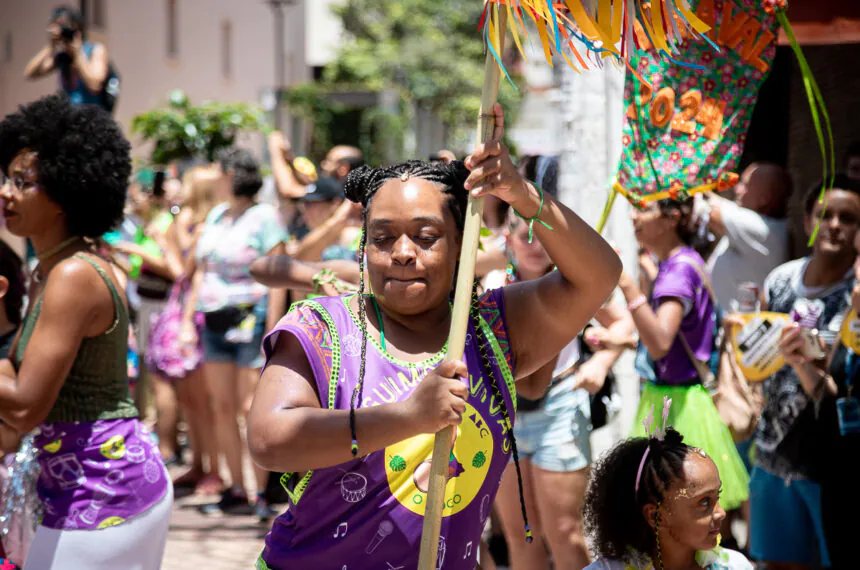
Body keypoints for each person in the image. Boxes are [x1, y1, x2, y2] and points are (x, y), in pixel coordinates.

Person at [246, 104, 622, 570]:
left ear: (462, 245)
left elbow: (599, 275)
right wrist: (407, 416)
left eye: (426, 237)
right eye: (383, 238)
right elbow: (269, 440)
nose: (403, 253)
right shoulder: (321, 328)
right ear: (364, 248)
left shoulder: (495, 328)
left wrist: (520, 192)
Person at [0, 94, 171, 569]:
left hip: (105, 492)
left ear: (65, 193)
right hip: (83, 488)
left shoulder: (74, 275)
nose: (6, 193)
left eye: (22, 182)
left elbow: (24, 404)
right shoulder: (48, 270)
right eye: (6, 179)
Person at [492, 210, 634, 570]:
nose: (534, 244)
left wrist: (599, 363)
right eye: (525, 235)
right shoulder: (491, 284)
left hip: (561, 404)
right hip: (503, 411)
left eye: (543, 236)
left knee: (565, 532)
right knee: (520, 534)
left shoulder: (571, 283)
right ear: (507, 241)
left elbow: (624, 328)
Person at [751, 176, 860, 570]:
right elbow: (751, 355)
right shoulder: (780, 280)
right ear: (807, 221)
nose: (833, 225)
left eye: (847, 218)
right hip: (771, 458)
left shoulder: (857, 297)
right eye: (824, 215)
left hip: (830, 467)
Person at [617, 198, 749, 515]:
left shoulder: (677, 272)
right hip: (671, 400)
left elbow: (661, 341)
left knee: (685, 515)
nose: (634, 215)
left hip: (681, 408)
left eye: (643, 208)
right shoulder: (680, 262)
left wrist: (626, 285)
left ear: (672, 218)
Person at [181, 148, 286, 521]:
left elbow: (278, 275)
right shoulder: (216, 215)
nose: (211, 175)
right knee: (221, 407)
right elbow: (199, 271)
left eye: (216, 169)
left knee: (249, 409)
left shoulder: (265, 217)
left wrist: (273, 329)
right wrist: (185, 321)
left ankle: (260, 492)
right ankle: (237, 489)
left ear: (231, 174)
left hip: (252, 319)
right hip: (213, 319)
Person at [776, 224, 860, 570]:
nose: (856, 268)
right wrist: (802, 365)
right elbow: (834, 393)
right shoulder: (853, 321)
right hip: (840, 476)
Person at [582, 426, 753, 570]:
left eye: (718, 497)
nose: (721, 513)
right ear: (656, 516)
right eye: (704, 502)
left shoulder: (734, 566)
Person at [704, 163, 791, 310]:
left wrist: (685, 183)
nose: (737, 189)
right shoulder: (748, 223)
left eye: (745, 184)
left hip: (742, 329)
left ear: (764, 198)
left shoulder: (764, 229)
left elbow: (708, 209)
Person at [23, 6, 114, 113]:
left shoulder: (95, 50)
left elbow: (95, 85)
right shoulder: (63, 57)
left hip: (92, 119)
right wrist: (50, 47)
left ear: (77, 28)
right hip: (70, 119)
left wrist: (78, 54)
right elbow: (30, 73)